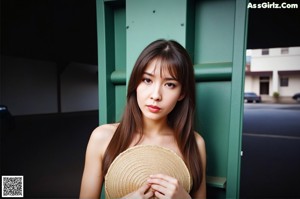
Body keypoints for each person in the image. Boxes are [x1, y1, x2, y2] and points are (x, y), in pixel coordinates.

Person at [80, 39, 206, 199]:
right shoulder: (102, 137)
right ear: (135, 84)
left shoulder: (195, 143)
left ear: (182, 93)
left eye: (170, 84)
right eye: (147, 80)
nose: (155, 95)